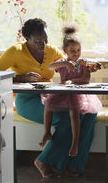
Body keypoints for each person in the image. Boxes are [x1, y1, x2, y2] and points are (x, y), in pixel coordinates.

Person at [0, 18, 100, 179]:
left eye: (45, 40)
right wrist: (20, 78)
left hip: (51, 97)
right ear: (27, 38)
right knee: (67, 119)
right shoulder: (15, 51)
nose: (43, 44)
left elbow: (71, 64)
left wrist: (87, 68)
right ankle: (45, 161)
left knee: (89, 114)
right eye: (38, 41)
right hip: (28, 100)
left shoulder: (52, 51)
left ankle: (72, 164)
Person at [39, 25, 102, 157]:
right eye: (72, 50)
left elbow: (85, 79)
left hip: (77, 94)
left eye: (78, 50)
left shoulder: (83, 62)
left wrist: (73, 80)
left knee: (74, 112)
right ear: (65, 50)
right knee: (48, 103)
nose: (76, 53)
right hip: (63, 93)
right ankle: (46, 132)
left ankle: (75, 143)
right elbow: (51, 66)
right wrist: (64, 64)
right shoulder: (62, 62)